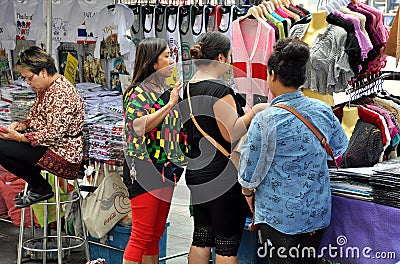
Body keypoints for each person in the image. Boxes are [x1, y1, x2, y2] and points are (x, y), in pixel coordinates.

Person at [238, 38, 349, 264]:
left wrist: (248, 194)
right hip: (316, 213)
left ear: (271, 75)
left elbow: (249, 173)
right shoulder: (322, 110)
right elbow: (339, 149)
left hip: (278, 217)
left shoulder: (265, 120)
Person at [182, 31, 268, 264]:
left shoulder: (188, 87)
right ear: (220, 58)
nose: (230, 64)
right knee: (227, 246)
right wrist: (254, 112)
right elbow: (230, 133)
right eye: (229, 58)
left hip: (197, 172)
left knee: (201, 237)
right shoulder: (220, 91)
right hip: (223, 176)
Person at [122, 38, 188, 264]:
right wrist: (170, 105)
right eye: (167, 56)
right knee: (141, 235)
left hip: (166, 168)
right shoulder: (138, 93)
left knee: (155, 234)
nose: (172, 61)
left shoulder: (163, 88)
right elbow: (138, 126)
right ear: (153, 64)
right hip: (144, 168)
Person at [0, 46, 85, 208]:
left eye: (30, 78)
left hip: (63, 151)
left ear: (44, 72)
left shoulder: (61, 94)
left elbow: (53, 135)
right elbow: (34, 117)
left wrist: (19, 138)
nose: (28, 83)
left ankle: (40, 187)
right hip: (48, 144)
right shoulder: (45, 88)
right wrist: (21, 125)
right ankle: (37, 185)